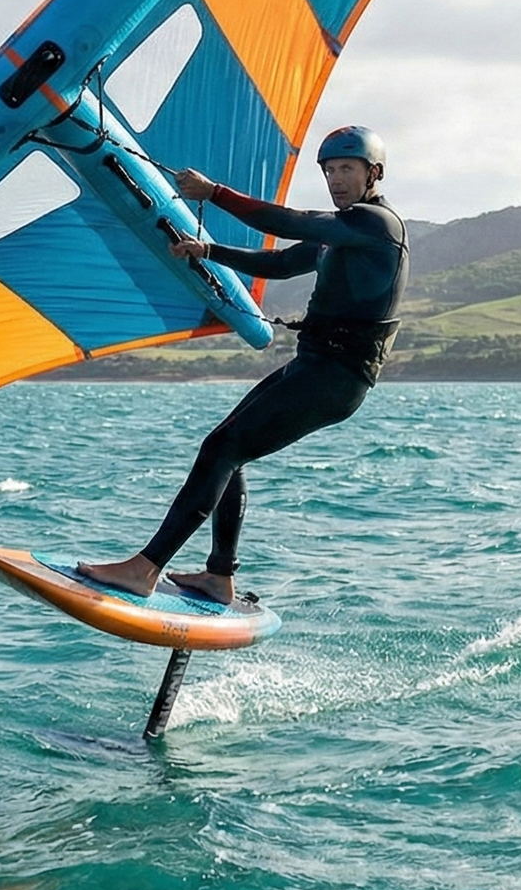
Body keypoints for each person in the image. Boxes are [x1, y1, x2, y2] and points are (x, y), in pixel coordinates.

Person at [78, 125, 408, 605]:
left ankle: (144, 569)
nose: (336, 179)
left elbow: (291, 222)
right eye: (330, 170)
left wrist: (215, 193)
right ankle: (217, 578)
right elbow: (279, 263)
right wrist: (209, 251)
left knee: (223, 449)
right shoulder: (341, 235)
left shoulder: (375, 225)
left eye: (347, 169)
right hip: (314, 365)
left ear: (372, 173)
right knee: (228, 449)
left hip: (335, 378)